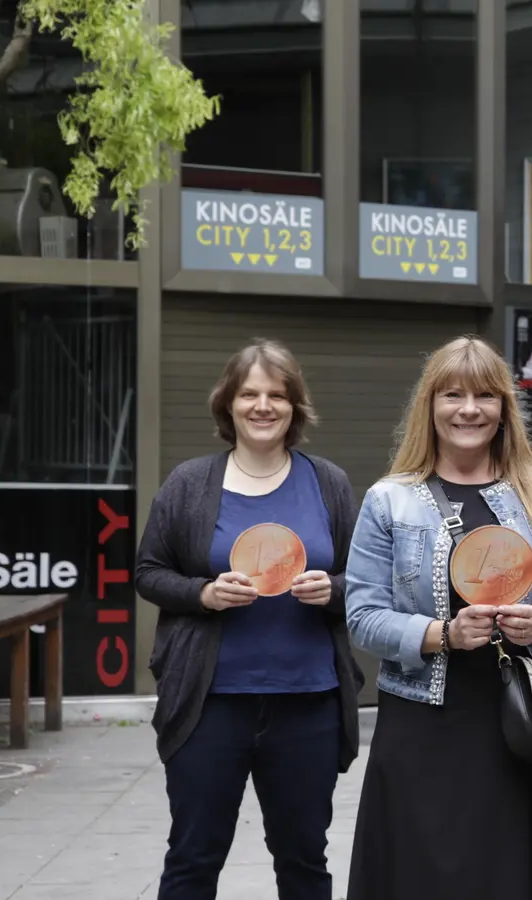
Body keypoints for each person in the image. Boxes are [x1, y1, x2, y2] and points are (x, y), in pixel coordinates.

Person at [343, 335, 532, 900]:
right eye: (453, 395)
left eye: (485, 395)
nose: (469, 409)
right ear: (429, 406)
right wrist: (442, 635)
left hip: (523, 720)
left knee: (528, 872)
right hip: (424, 723)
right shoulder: (388, 500)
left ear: (504, 408)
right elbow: (362, 616)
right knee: (428, 874)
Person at [135, 339, 365, 900]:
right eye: (250, 394)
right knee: (193, 856)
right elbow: (148, 571)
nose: (264, 406)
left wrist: (330, 589)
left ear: (295, 406)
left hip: (307, 701)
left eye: (277, 396)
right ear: (229, 404)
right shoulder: (190, 483)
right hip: (209, 703)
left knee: (304, 859)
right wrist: (204, 593)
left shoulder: (327, 482)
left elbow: (366, 582)